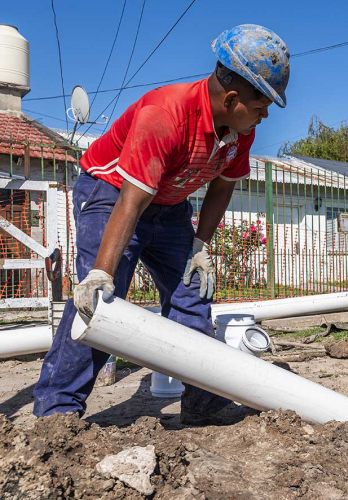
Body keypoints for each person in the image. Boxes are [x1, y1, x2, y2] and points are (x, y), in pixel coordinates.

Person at [33, 24, 290, 426]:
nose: (266, 113)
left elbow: (222, 187)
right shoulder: (165, 113)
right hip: (111, 193)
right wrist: (101, 271)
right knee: (98, 303)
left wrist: (200, 245)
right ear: (233, 97)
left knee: (192, 295)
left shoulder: (242, 132)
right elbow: (131, 201)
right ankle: (57, 412)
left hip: (168, 206)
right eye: (262, 104)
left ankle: (203, 400)